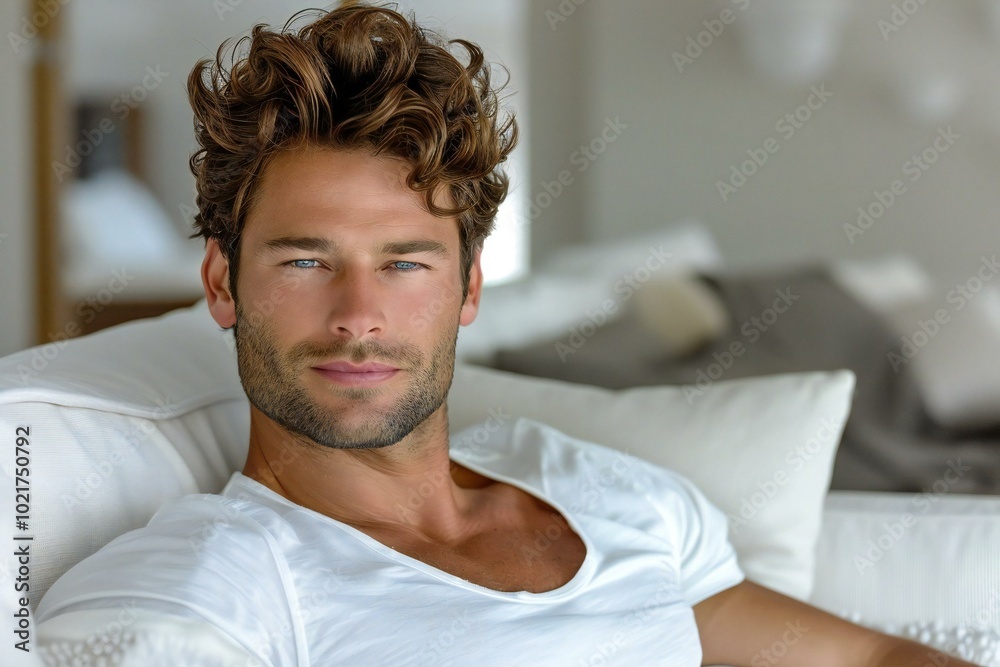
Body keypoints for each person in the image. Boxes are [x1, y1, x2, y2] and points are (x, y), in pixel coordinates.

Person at [34, 3, 980, 665]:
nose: (358, 313)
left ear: (469, 287)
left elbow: (872, 656)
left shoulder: (609, 496)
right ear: (222, 284)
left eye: (405, 262)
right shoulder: (206, 590)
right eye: (307, 260)